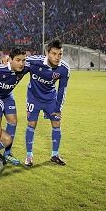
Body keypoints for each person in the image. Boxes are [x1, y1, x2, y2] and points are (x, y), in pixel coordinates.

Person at [24, 39, 70, 167]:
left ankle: (55, 155)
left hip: (50, 98)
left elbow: (62, 90)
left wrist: (58, 108)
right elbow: (18, 62)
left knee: (56, 122)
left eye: (60, 54)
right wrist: (5, 59)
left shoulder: (64, 69)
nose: (57, 57)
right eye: (54, 54)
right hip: (33, 97)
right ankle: (29, 156)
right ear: (47, 53)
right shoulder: (34, 61)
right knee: (32, 124)